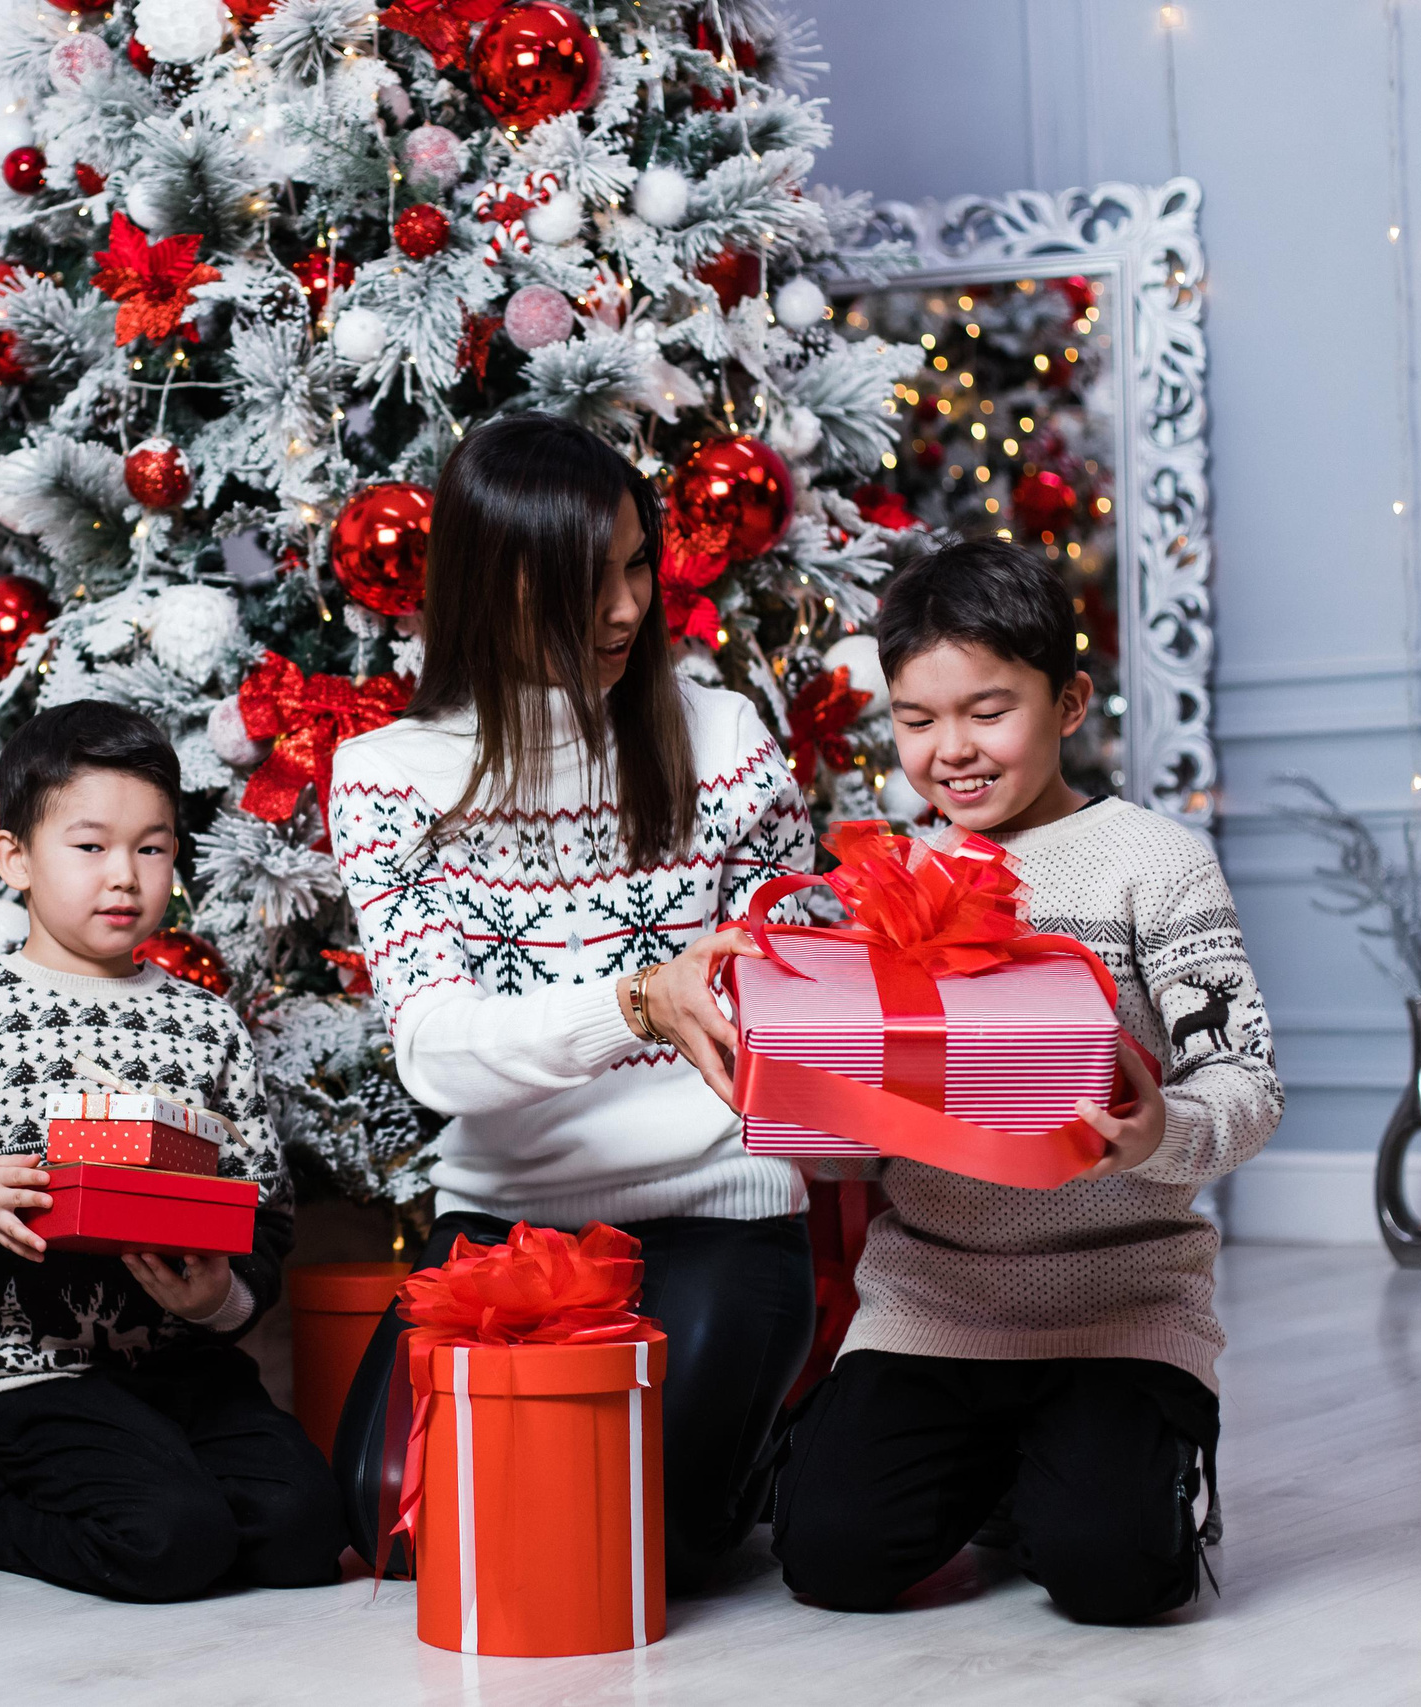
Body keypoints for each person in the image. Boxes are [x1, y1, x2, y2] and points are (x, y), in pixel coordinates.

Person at [325, 413, 819, 1590]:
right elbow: (437, 1054)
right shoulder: (389, 778)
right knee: (400, 1523)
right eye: (579, 581)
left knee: (643, 1544)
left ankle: (782, 1441)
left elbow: (793, 987)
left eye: (636, 565)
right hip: (508, 1222)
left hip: (717, 1210)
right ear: (489, 586)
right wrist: (636, 1002)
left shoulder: (722, 736)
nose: (622, 610)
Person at [768, 539, 1284, 1624]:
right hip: (931, 1303)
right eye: (916, 720)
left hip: (1120, 1304)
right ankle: (1006, 1472)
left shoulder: (1153, 862)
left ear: (1070, 702)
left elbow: (1247, 1083)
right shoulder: (887, 874)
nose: (951, 750)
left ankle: (1099, 1469)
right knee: (829, 1554)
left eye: (988, 711)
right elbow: (859, 1097)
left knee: (1118, 1577)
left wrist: (1160, 1134)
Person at [0, 700, 344, 1603]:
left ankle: (169, 1474)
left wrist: (222, 1295)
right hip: (34, 1374)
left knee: (307, 1533)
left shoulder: (205, 1024)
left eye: (151, 848)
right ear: (15, 861)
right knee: (172, 1541)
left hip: (190, 1364)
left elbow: (264, 1210)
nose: (124, 876)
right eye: (90, 846)